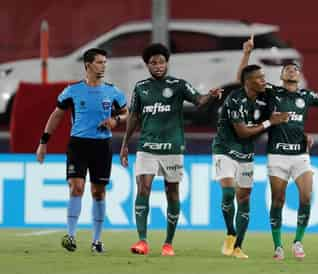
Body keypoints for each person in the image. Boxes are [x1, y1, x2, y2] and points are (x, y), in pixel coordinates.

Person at [238, 36, 318, 260]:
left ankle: (297, 242)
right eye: (287, 68)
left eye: (295, 68)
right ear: (281, 74)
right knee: (278, 200)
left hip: (300, 155)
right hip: (277, 155)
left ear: (299, 75)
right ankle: (278, 246)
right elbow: (244, 81)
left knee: (306, 197)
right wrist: (247, 53)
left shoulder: (306, 96)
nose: (291, 70)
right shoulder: (272, 93)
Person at [120, 43, 222, 256]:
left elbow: (199, 101)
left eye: (161, 61)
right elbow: (134, 117)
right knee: (143, 188)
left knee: (172, 192)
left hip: (172, 148)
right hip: (147, 146)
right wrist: (124, 145)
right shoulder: (141, 87)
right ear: (147, 65)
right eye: (153, 62)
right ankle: (142, 241)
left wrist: (210, 95)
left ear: (167, 63)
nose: (158, 66)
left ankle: (168, 243)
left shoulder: (178, 85)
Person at [35, 48, 128, 253]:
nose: (103, 66)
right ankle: (71, 235)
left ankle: (96, 240)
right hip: (78, 145)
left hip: (102, 146)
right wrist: (44, 142)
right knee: (76, 187)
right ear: (87, 65)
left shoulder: (113, 91)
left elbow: (127, 114)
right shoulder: (72, 91)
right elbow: (57, 115)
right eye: (99, 62)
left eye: (105, 62)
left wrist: (116, 120)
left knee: (98, 192)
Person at [213, 64, 288, 259]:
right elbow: (242, 132)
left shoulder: (265, 93)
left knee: (244, 199)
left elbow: (289, 93)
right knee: (229, 192)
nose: (264, 80)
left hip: (246, 153)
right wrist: (270, 122)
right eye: (259, 78)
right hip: (225, 149)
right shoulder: (235, 99)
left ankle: (238, 246)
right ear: (248, 82)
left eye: (264, 77)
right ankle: (230, 232)